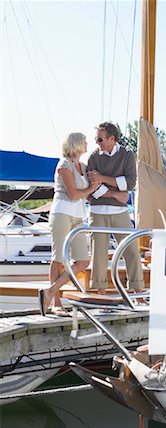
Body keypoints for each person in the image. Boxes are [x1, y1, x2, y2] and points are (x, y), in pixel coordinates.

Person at [38, 132, 100, 316]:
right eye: (85, 141)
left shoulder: (83, 166)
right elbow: (73, 194)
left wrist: (95, 186)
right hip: (62, 214)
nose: (88, 143)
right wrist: (91, 188)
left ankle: (49, 291)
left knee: (82, 261)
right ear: (77, 144)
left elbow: (88, 192)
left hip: (78, 216)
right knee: (58, 259)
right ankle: (56, 302)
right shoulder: (63, 165)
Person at [87, 121, 144, 298]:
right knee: (99, 256)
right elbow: (93, 188)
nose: (97, 142)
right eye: (96, 139)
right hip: (97, 212)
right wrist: (116, 193)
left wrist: (103, 178)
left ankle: (138, 293)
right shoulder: (93, 157)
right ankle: (101, 294)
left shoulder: (127, 155)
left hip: (120, 213)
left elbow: (129, 183)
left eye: (100, 139)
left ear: (112, 139)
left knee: (132, 252)